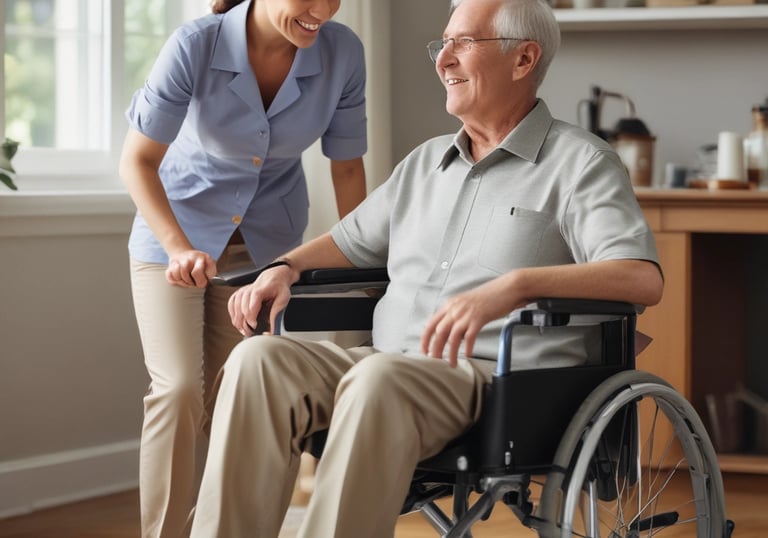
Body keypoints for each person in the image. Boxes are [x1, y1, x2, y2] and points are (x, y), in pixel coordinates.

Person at [189, 0, 664, 535]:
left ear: (524, 59)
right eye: (442, 45)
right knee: (259, 360)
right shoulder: (424, 164)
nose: (443, 60)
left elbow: (639, 277)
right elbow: (348, 241)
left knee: (378, 377)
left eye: (463, 43)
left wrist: (516, 286)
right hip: (387, 363)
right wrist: (284, 266)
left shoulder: (580, 163)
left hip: (494, 382)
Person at [118, 0, 368, 536]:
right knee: (180, 389)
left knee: (255, 398)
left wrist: (366, 263)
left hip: (267, 251)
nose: (322, 10)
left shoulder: (343, 51)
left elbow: (347, 167)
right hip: (175, 241)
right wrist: (179, 247)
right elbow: (137, 161)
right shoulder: (196, 46)